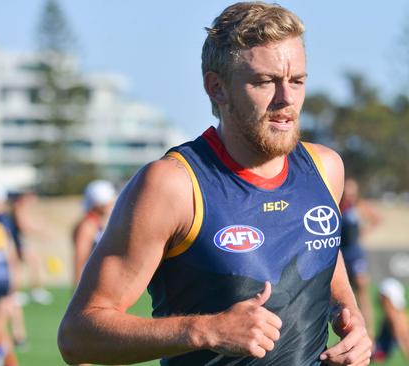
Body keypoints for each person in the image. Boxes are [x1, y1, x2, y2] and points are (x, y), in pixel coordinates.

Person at [58, 2, 371, 365]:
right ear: (217, 88)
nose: (286, 99)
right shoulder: (174, 185)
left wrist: (350, 316)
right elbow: (78, 335)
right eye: (265, 81)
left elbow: (320, 255)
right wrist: (206, 331)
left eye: (297, 81)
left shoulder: (325, 168)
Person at [340, 178, 380, 338]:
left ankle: (370, 331)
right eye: (347, 189)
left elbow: (377, 219)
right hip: (340, 254)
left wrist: (364, 233)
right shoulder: (336, 204)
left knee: (362, 289)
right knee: (343, 294)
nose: (349, 193)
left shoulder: (359, 206)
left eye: (352, 190)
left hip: (355, 254)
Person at [0, 191, 53, 307]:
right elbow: (23, 226)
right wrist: (40, 230)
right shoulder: (18, 208)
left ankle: (25, 292)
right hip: (16, 241)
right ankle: (29, 292)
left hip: (17, 241)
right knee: (20, 266)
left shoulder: (20, 208)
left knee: (22, 265)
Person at [71, 180, 116, 288]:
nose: (112, 203)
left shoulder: (96, 224)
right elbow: (80, 259)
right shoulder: (87, 226)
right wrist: (78, 291)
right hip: (91, 285)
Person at [0, 187, 19, 366]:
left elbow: (10, 254)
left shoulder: (1, 224)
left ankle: (3, 356)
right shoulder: (2, 223)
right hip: (1, 278)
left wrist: (14, 277)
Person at [371, 278, 409, 364]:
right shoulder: (404, 314)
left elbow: (401, 338)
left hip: (379, 354)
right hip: (380, 351)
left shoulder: (392, 316)